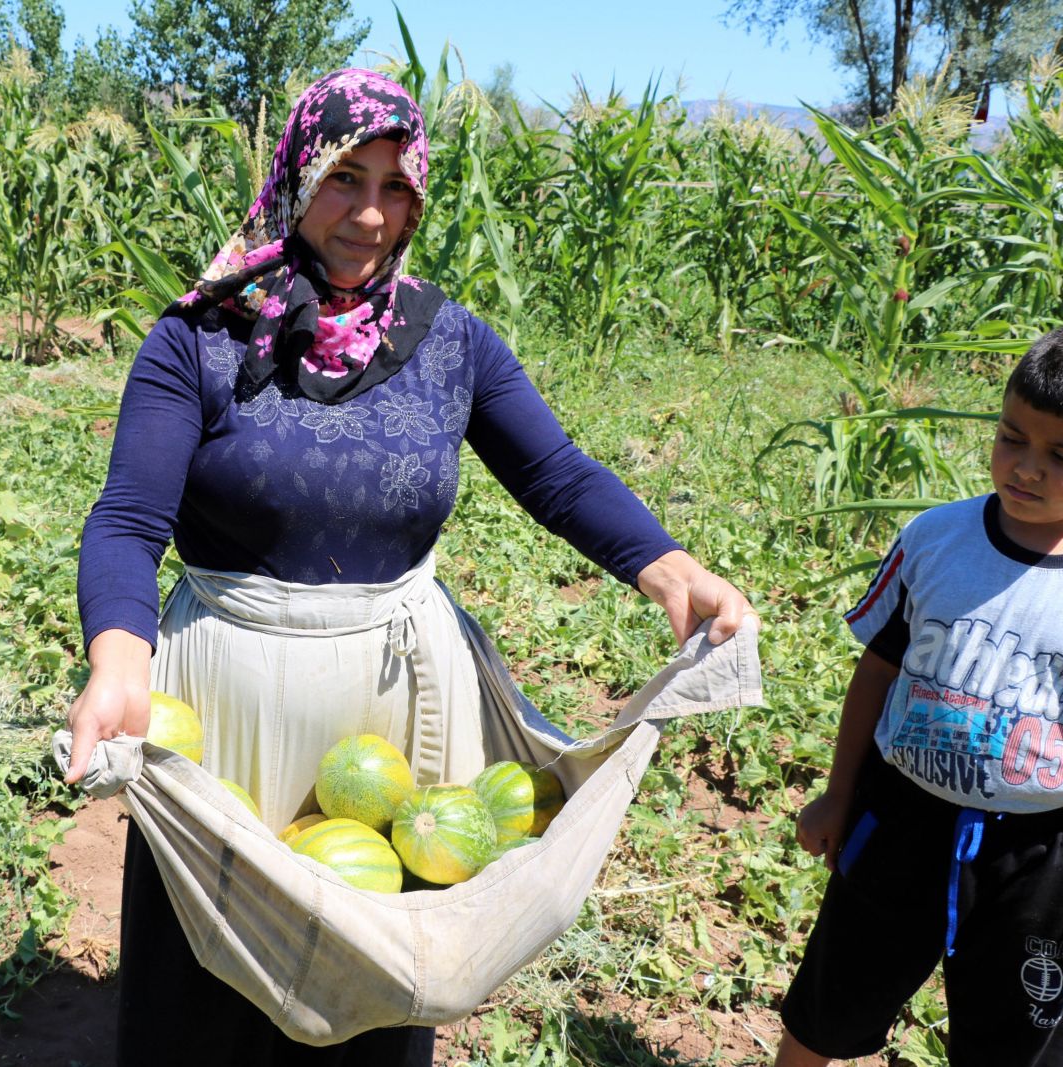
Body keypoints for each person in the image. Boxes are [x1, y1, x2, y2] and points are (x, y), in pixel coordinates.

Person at [64, 68, 754, 1066]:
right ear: (297, 175)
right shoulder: (201, 338)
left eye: (397, 187)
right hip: (226, 714)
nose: (370, 215)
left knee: (378, 984)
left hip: (393, 715)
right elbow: (130, 518)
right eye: (345, 178)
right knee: (204, 998)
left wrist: (670, 569)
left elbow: (555, 473)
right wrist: (121, 657)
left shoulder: (449, 341)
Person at [774, 324, 1063, 1067]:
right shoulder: (934, 538)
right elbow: (878, 670)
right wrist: (839, 794)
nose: (1026, 468)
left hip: (1043, 855)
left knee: (1014, 1047)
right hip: (898, 819)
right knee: (828, 1008)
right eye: (1011, 438)